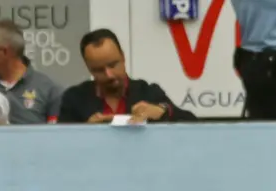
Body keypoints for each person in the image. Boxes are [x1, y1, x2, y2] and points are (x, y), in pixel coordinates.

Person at [58, 29, 196, 124]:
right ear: (89, 68)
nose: (109, 75)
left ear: (123, 57)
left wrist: (163, 111)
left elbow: (193, 124)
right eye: (99, 70)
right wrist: (83, 132)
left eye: (113, 65)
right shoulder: (74, 99)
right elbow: (60, 144)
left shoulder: (147, 92)